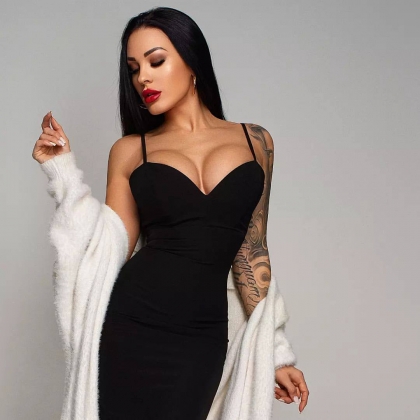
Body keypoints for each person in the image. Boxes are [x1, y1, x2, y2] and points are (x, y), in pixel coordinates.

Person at [33, 6, 309, 419]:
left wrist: (277, 352)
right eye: (133, 69)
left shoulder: (256, 142)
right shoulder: (130, 150)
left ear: (192, 60)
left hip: (202, 337)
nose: (142, 78)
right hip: (132, 325)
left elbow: (251, 251)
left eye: (156, 61)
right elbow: (106, 250)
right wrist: (63, 175)